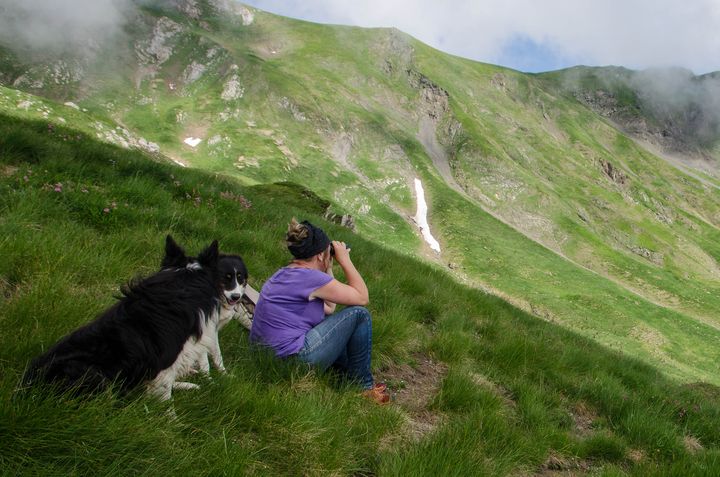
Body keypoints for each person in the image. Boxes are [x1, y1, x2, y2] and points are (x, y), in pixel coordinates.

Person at [249, 218, 389, 404]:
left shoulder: (284, 274)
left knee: (333, 325)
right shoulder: (310, 278)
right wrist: (345, 260)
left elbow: (329, 308)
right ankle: (362, 387)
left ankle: (345, 376)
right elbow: (362, 297)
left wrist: (328, 268)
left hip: (267, 359)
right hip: (293, 360)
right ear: (320, 255)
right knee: (359, 315)